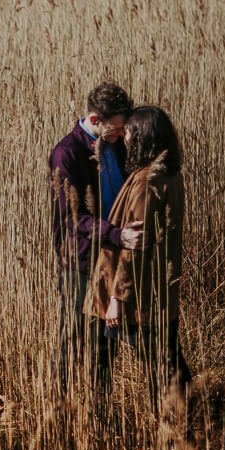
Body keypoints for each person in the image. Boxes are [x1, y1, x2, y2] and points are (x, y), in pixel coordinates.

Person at [85, 105, 190, 405]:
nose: (124, 135)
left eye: (129, 130)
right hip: (158, 293)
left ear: (142, 136)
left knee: (161, 371)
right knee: (168, 366)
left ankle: (176, 438)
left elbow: (136, 244)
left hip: (139, 298)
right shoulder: (169, 174)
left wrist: (117, 299)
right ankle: (191, 430)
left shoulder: (147, 180)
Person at [49, 82, 145, 393]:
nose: (122, 134)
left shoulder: (116, 144)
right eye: (116, 128)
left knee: (106, 343)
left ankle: (99, 410)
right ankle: (59, 410)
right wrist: (117, 235)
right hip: (82, 261)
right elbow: (72, 218)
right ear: (94, 120)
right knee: (72, 338)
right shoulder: (67, 154)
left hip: (114, 255)